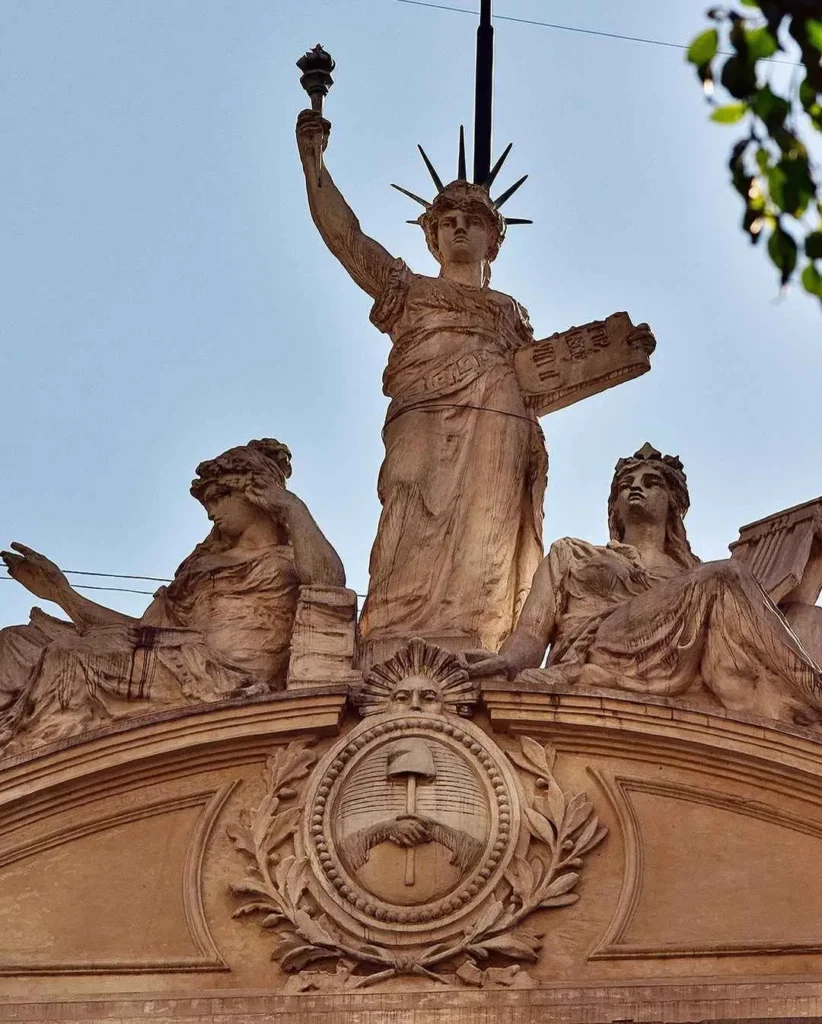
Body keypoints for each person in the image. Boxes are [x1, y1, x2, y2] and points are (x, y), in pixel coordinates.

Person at [0, 439, 345, 752]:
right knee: (15, 643)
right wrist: (60, 593)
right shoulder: (200, 566)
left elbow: (328, 583)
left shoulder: (289, 560)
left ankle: (42, 750)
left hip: (223, 679)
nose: (212, 513)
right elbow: (140, 633)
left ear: (255, 491)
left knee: (68, 657)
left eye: (219, 498)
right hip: (177, 661)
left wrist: (291, 508)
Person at [463, 443, 822, 725]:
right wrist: (508, 663)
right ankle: (813, 692)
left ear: (674, 505)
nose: (636, 488)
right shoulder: (573, 553)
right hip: (603, 644)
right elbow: (531, 632)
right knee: (724, 574)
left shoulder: (690, 574)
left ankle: (799, 709)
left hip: (674, 662)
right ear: (615, 506)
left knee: (809, 619)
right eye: (626, 485)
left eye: (652, 484)